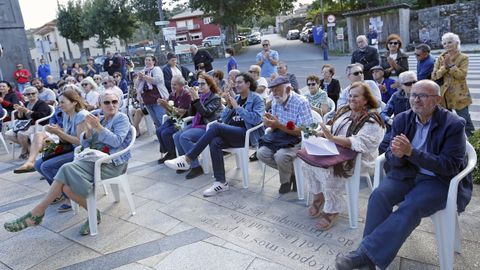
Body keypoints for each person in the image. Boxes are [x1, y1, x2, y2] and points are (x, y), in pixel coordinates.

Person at [335, 80, 471, 270]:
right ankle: (370, 260)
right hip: (407, 173)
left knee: (410, 207)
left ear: (437, 100)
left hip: (437, 180)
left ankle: (363, 255)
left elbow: (450, 166)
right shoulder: (402, 119)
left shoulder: (454, 124)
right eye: (413, 95)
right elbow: (390, 154)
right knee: (378, 196)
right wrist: (397, 155)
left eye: (423, 96)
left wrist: (411, 152)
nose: (416, 100)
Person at [4, 90, 133, 236]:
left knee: (65, 168)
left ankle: (37, 212)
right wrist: (89, 133)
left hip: (112, 164)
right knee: (65, 186)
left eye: (114, 102)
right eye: (107, 102)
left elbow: (117, 141)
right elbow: (85, 144)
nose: (111, 105)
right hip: (95, 161)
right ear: (100, 105)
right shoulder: (101, 119)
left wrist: (98, 128)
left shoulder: (121, 118)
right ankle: (93, 214)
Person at [165, 72, 265, 196]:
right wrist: (229, 107)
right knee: (215, 141)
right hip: (232, 132)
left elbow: (256, 119)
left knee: (215, 127)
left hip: (247, 135)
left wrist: (237, 108)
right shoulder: (237, 98)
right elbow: (222, 118)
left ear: (248, 84)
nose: (237, 85)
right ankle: (221, 182)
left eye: (240, 82)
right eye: (236, 82)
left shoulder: (256, 98)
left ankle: (188, 158)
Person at [303, 82, 384, 230]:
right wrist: (323, 133)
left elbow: (360, 143)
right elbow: (333, 127)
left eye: (356, 96)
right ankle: (318, 196)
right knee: (307, 161)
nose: (351, 99)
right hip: (335, 150)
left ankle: (332, 210)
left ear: (366, 99)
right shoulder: (345, 111)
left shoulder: (373, 121)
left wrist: (332, 139)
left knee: (329, 170)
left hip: (359, 159)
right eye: (350, 96)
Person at [257, 76, 313, 194]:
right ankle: (293, 174)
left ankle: (285, 181)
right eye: (272, 90)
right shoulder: (276, 101)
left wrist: (278, 125)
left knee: (281, 156)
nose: (274, 93)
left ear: (288, 89)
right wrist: (269, 123)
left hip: (298, 138)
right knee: (261, 153)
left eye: (277, 89)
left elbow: (304, 131)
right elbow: (275, 126)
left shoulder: (301, 102)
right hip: (280, 137)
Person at [168, 73, 223, 179]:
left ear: (210, 85)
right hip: (196, 124)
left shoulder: (215, 98)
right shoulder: (201, 96)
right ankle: (185, 163)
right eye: (199, 84)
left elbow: (206, 113)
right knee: (176, 135)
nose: (200, 86)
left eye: (203, 84)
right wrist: (193, 100)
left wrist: (196, 99)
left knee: (185, 137)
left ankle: (196, 166)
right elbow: (192, 113)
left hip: (207, 127)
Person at [431, 32, 474, 137]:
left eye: (450, 42)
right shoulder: (440, 58)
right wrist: (444, 67)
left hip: (459, 95)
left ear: (456, 43)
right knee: (446, 122)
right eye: (445, 43)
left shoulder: (463, 58)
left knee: (465, 121)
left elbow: (461, 75)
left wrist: (450, 65)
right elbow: (434, 76)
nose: (447, 45)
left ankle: (473, 143)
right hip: (444, 96)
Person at [4, 86, 51, 159]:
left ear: (37, 93)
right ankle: (28, 149)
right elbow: (21, 118)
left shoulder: (42, 103)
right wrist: (20, 112)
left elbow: (42, 115)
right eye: (28, 94)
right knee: (8, 134)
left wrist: (27, 111)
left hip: (39, 124)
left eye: (33, 93)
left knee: (21, 133)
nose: (31, 95)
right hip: (27, 125)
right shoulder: (26, 104)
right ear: (25, 95)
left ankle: (24, 151)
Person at [156, 75, 192, 163]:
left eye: (175, 84)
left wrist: (167, 106)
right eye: (171, 84)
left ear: (181, 85)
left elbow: (182, 113)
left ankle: (172, 154)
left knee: (166, 133)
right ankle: (169, 151)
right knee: (159, 130)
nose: (172, 86)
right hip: (173, 118)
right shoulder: (172, 94)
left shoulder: (186, 95)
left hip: (183, 121)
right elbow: (168, 112)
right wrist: (163, 105)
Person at [378, 71, 416, 154]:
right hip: (397, 130)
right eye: (408, 84)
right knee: (382, 145)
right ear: (401, 85)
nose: (413, 86)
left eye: (415, 82)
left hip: (417, 129)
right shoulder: (396, 96)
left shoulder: (422, 95)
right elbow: (383, 114)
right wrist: (392, 121)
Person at [134, 55, 169, 129]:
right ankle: (160, 136)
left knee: (161, 118)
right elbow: (136, 85)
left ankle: (166, 136)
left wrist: (144, 77)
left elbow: (157, 80)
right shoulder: (143, 71)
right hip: (146, 100)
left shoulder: (156, 69)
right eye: (146, 60)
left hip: (157, 98)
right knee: (155, 121)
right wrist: (139, 78)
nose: (147, 62)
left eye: (149, 60)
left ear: (154, 61)